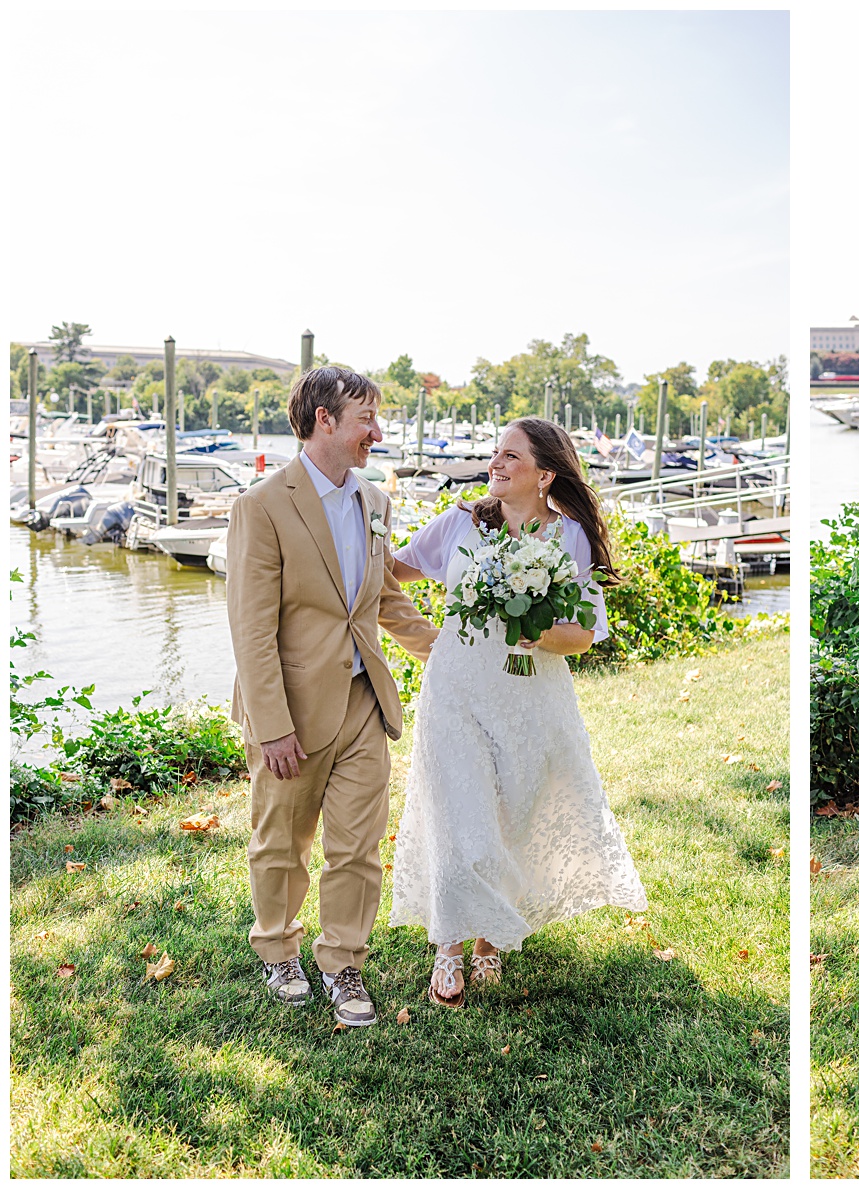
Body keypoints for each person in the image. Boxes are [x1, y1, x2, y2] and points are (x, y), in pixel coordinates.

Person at [387, 416, 647, 1007]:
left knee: (513, 815)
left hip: (530, 694)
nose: (495, 465)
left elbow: (582, 633)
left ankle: (490, 942)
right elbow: (389, 571)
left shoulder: (569, 537)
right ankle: (448, 948)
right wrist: (418, 632)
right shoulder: (458, 523)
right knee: (461, 814)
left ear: (545, 474)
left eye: (511, 456)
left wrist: (540, 636)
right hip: (455, 686)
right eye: (494, 454)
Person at [227, 366, 439, 1027]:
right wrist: (271, 724)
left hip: (362, 702)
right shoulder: (262, 506)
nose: (376, 432)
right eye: (366, 419)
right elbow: (251, 626)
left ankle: (342, 962)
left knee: (357, 844)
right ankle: (277, 947)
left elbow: (383, 599)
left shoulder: (374, 502)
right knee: (282, 841)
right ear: (325, 420)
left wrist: (452, 654)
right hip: (288, 706)